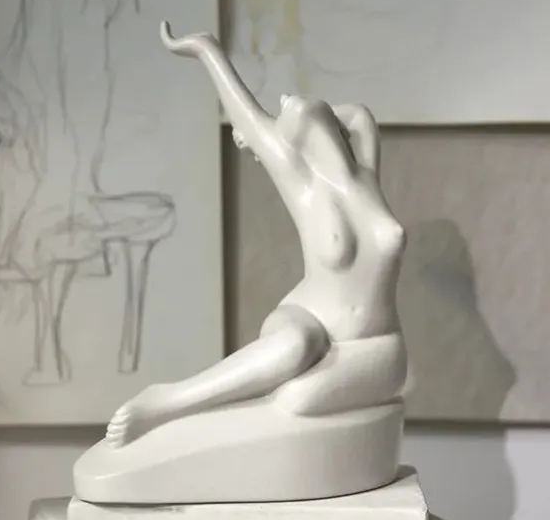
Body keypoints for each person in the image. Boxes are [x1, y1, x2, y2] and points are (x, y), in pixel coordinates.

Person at [106, 25, 407, 447]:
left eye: (289, 105)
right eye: (279, 115)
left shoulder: (365, 161)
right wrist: (206, 50)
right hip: (308, 319)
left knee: (298, 400)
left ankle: (221, 411)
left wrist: (307, 117)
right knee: (295, 347)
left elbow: (356, 114)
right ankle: (166, 401)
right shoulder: (301, 183)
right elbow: (245, 114)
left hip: (378, 345)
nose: (285, 101)